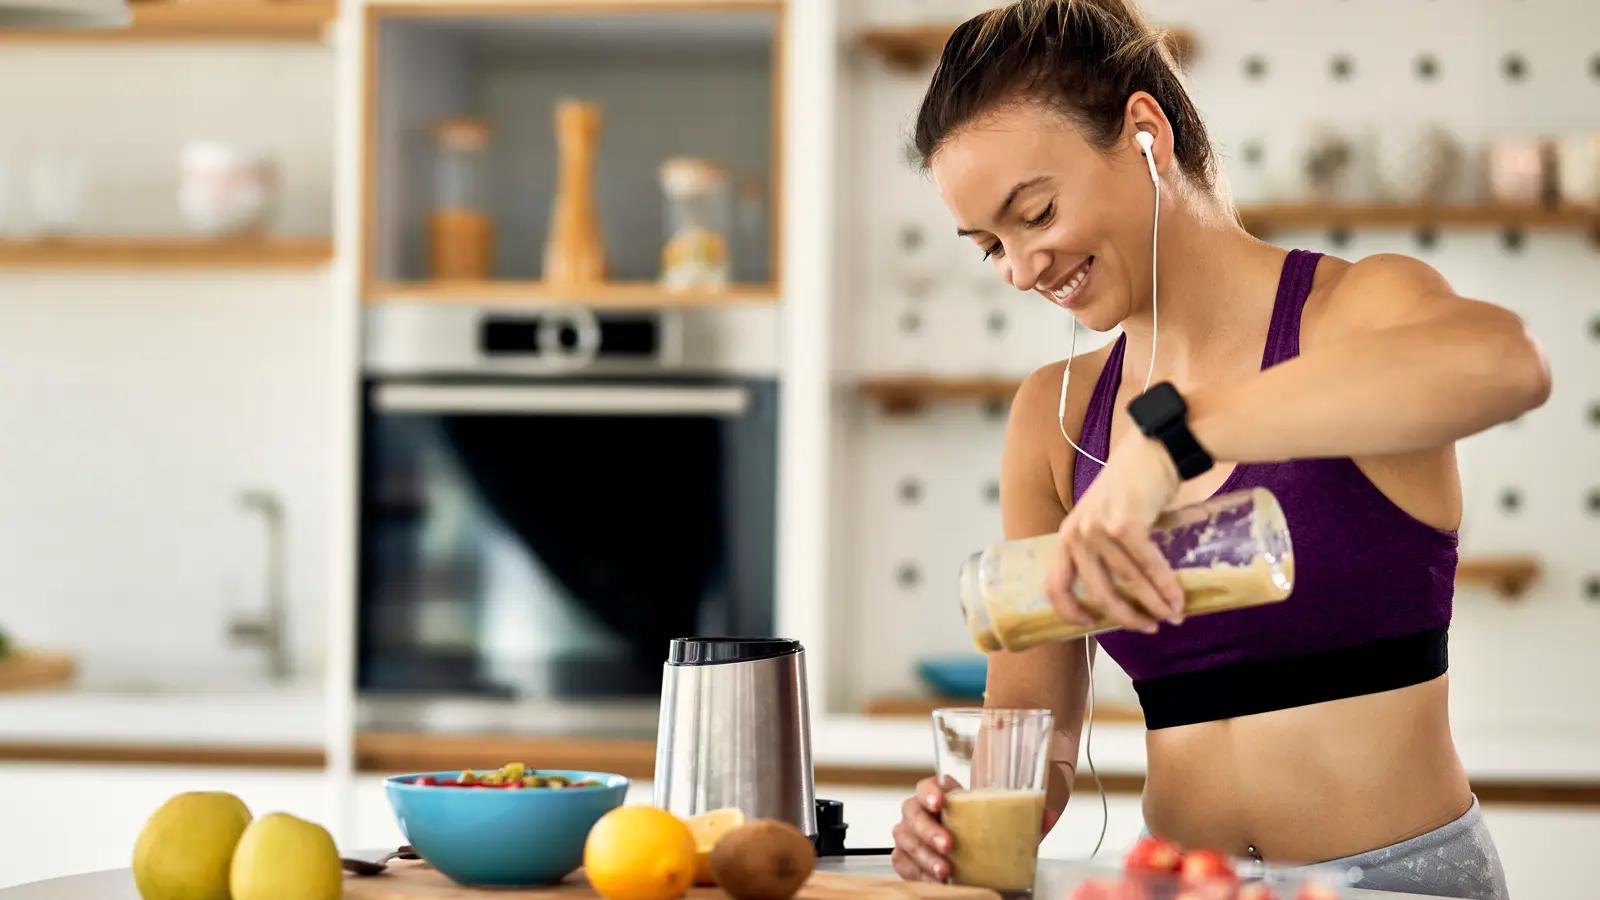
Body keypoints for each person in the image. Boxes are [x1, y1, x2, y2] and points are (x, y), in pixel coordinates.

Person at [889, 2, 1549, 898]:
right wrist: (965, 811)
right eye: (990, 247)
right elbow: (1031, 737)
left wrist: (1175, 441)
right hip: (1183, 883)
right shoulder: (1057, 415)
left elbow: (1506, 363)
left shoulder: (1352, 315)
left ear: (1145, 131)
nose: (1020, 268)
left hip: (1398, 884)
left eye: (1035, 213)